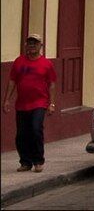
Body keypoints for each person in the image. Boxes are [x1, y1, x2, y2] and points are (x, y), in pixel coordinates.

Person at [3, 34, 57, 173]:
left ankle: (38, 160)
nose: (32, 46)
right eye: (29, 43)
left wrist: (52, 103)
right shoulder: (19, 62)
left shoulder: (46, 64)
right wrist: (7, 100)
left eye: (35, 43)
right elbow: (12, 81)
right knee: (21, 134)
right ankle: (25, 162)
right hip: (22, 104)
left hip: (39, 102)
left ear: (41, 46)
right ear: (26, 45)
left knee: (35, 129)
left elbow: (51, 84)